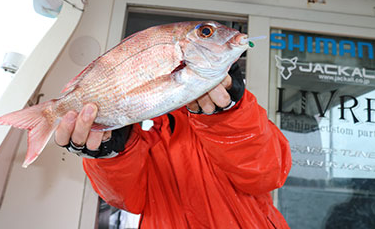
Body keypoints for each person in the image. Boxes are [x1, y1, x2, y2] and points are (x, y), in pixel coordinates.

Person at [54, 63, 292, 228]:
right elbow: (127, 200)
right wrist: (112, 154)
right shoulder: (139, 133)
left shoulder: (241, 112)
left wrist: (228, 116)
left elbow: (267, 174)